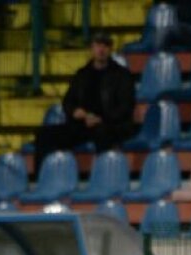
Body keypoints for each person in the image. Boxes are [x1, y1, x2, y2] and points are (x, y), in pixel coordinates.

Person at [30, 32, 135, 179]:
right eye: (98, 45)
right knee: (43, 134)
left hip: (110, 124)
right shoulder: (82, 74)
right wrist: (74, 112)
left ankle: (104, 179)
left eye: (105, 46)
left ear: (110, 49)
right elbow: (68, 102)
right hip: (83, 124)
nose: (101, 50)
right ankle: (41, 180)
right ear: (91, 48)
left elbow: (126, 107)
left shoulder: (122, 75)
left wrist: (101, 118)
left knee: (103, 134)